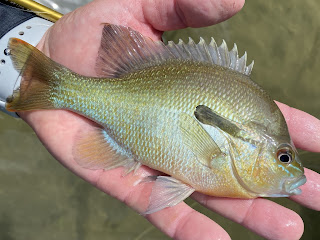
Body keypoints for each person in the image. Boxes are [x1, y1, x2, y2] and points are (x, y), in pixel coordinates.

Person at [1, 0, 320, 239]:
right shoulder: (224, 165)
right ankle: (50, 86)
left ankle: (33, 83)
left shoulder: (234, 162)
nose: (290, 168)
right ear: (254, 140)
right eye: (283, 156)